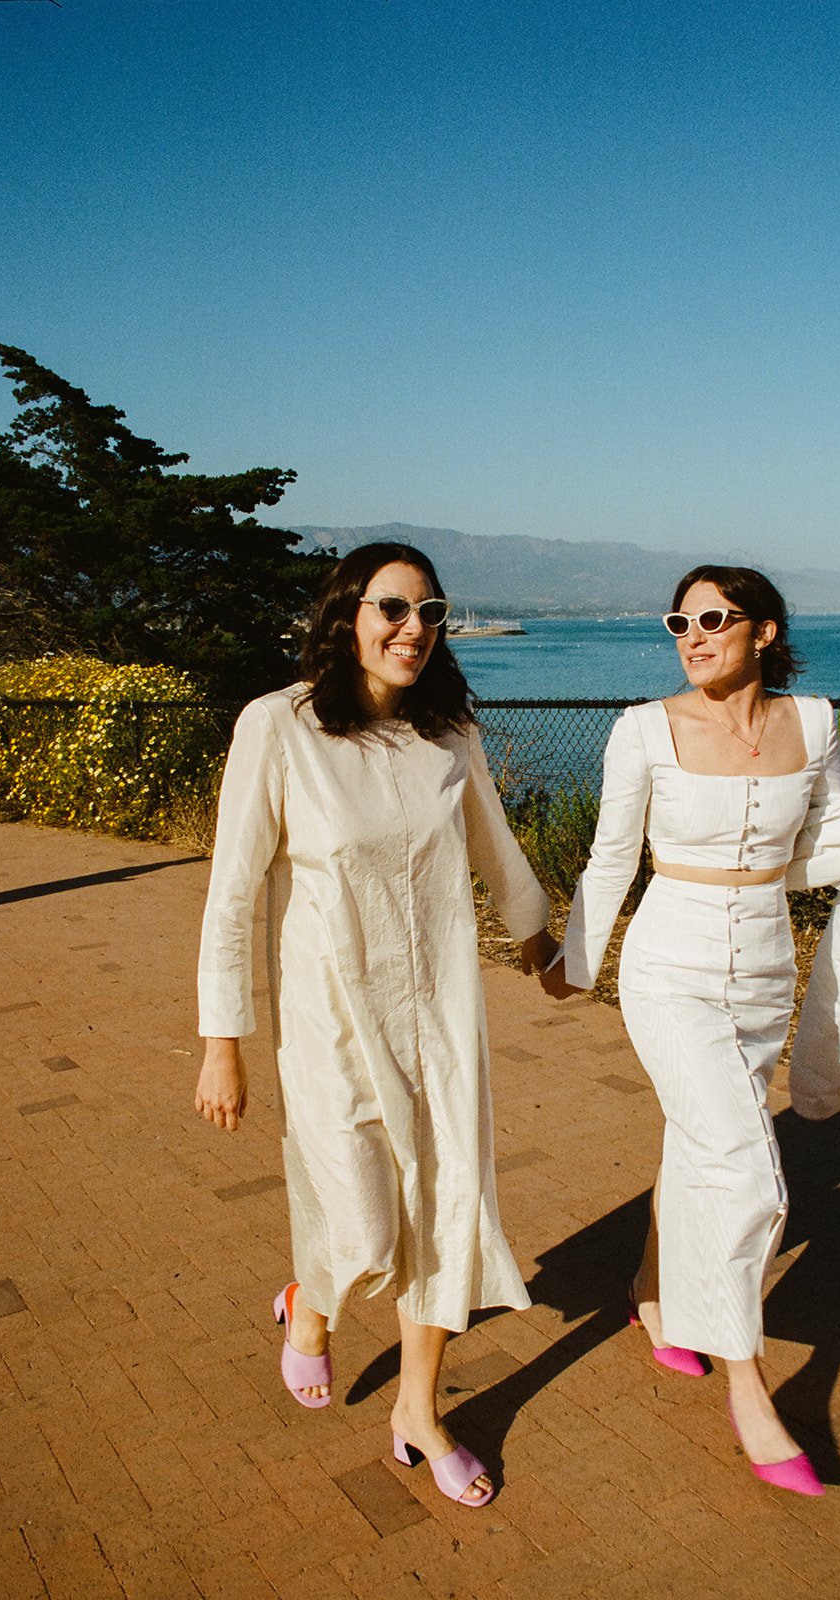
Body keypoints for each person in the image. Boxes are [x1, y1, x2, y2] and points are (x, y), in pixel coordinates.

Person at [541, 564, 840, 1496]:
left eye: (714, 618)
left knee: (700, 1140)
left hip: (763, 969)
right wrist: (572, 964)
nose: (692, 635)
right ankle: (753, 1389)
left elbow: (818, 840)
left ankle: (650, 1293)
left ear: (765, 632)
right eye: (679, 620)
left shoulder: (814, 723)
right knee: (743, 1167)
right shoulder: (642, 729)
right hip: (668, 966)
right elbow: (611, 855)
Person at [195, 542, 556, 1507]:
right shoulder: (280, 726)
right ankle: (309, 1305)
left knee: (446, 1211)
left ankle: (417, 1411)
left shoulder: (449, 736)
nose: (413, 629)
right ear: (347, 613)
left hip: (440, 1012)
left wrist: (539, 941)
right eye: (393, 607)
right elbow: (232, 893)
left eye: (431, 611)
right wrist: (221, 1040)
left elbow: (495, 844)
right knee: (357, 1226)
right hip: (329, 1020)